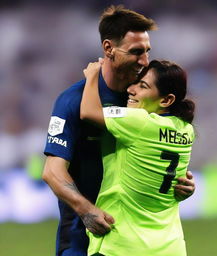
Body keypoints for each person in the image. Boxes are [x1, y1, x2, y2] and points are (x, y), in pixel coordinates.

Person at [42, 5, 195, 256]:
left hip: (130, 239)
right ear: (108, 49)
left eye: (147, 51)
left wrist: (184, 181)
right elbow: (52, 171)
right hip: (84, 231)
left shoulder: (142, 97)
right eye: (136, 52)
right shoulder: (72, 100)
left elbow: (161, 149)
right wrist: (86, 210)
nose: (144, 61)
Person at [80, 59, 195, 256]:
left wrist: (91, 75)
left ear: (166, 100)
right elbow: (177, 179)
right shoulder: (186, 130)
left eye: (143, 86)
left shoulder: (139, 121)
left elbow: (88, 112)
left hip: (124, 245)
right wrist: (189, 187)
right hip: (171, 246)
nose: (131, 89)